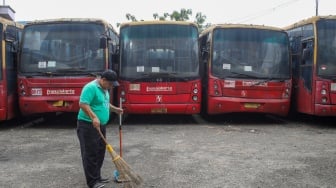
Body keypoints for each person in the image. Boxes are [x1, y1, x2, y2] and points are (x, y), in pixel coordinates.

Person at [77, 69, 123, 188]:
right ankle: (92, 182)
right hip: (88, 125)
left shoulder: (104, 89)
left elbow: (104, 104)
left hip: (100, 125)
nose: (111, 86)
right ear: (103, 80)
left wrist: (115, 109)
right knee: (90, 153)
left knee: (100, 152)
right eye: (110, 84)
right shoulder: (90, 87)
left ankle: (97, 176)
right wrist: (94, 117)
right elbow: (83, 103)